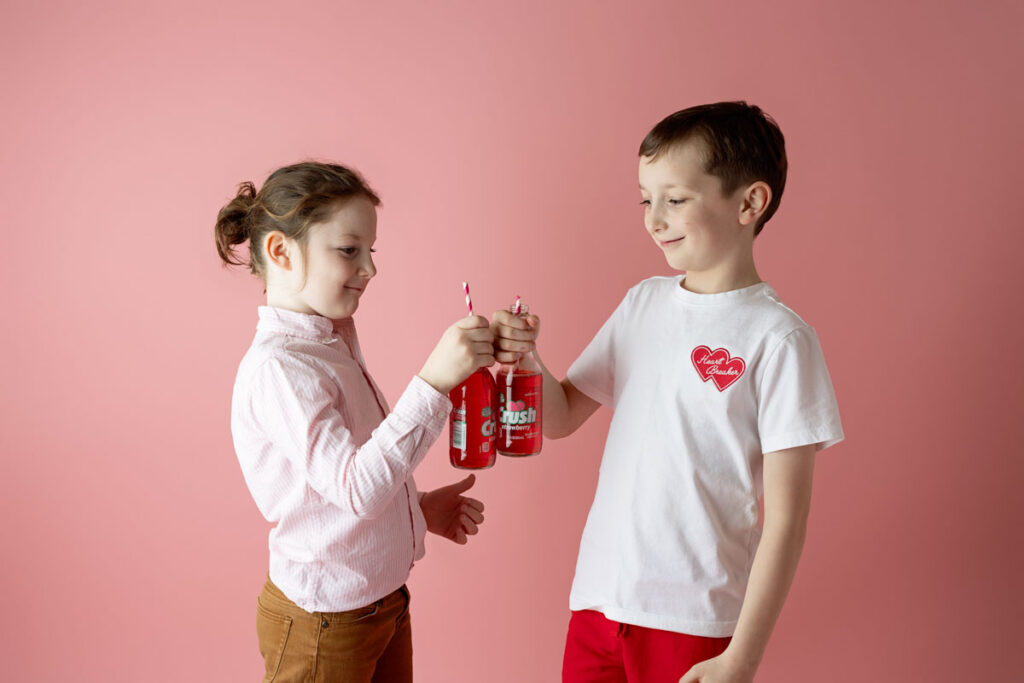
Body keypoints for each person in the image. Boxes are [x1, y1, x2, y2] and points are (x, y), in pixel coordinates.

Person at [492, 102, 844, 683]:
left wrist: (741, 658)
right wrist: (528, 357)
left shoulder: (779, 338)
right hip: (599, 600)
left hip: (694, 619)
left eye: (675, 199)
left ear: (750, 203)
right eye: (645, 199)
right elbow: (558, 418)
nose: (654, 219)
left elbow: (787, 521)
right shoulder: (642, 304)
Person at [215, 161, 492, 682]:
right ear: (280, 251)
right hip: (325, 622)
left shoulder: (330, 341)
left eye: (371, 251)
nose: (369, 268)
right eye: (349, 250)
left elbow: (339, 484)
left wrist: (417, 508)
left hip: (379, 605)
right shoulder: (282, 368)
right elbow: (356, 488)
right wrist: (432, 382)